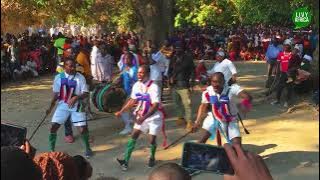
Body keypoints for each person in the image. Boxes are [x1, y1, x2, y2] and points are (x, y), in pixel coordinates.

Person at [115, 65, 165, 170]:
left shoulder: (154, 87)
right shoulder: (137, 85)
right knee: (134, 135)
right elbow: (133, 100)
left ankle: (152, 157)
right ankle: (126, 161)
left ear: (148, 74)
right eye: (138, 72)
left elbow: (155, 106)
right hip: (141, 115)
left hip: (153, 117)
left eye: (142, 73)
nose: (139, 75)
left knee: (152, 139)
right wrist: (121, 111)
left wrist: (144, 118)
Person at [47, 58, 93, 158]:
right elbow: (55, 94)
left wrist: (76, 97)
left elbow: (85, 93)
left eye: (74, 66)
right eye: (70, 66)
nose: (73, 68)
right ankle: (52, 150)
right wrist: (50, 107)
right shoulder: (59, 77)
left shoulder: (80, 77)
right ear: (64, 67)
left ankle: (88, 148)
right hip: (63, 104)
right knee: (53, 127)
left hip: (77, 105)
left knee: (82, 129)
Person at [192, 72, 252, 145]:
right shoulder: (208, 92)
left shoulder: (232, 89)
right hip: (214, 118)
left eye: (218, 82)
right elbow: (203, 106)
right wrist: (197, 122)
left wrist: (244, 106)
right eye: (213, 82)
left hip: (231, 120)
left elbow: (248, 97)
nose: (215, 85)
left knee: (237, 145)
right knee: (202, 139)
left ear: (223, 82)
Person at [168, 41, 195, 131]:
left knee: (187, 104)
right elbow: (170, 69)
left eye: (179, 48)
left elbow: (193, 71)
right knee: (176, 103)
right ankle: (181, 117)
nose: (177, 49)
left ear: (183, 48)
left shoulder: (188, 58)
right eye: (176, 48)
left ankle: (190, 122)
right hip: (174, 85)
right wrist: (169, 78)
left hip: (184, 84)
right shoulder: (173, 58)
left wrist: (192, 83)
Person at [117, 52, 138, 135]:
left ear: (132, 60)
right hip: (127, 92)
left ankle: (128, 127)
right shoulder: (125, 68)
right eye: (124, 59)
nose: (125, 60)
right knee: (130, 110)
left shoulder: (135, 70)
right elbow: (121, 77)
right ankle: (132, 124)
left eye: (127, 58)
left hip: (133, 93)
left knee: (125, 110)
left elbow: (136, 82)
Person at [271, 39, 293, 107]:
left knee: (289, 87)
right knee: (279, 87)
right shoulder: (280, 54)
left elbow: (295, 65)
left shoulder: (292, 54)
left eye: (287, 45)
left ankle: (287, 101)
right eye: (284, 45)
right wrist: (275, 71)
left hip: (290, 73)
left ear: (290, 46)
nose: (285, 47)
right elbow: (278, 63)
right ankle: (277, 100)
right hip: (282, 73)